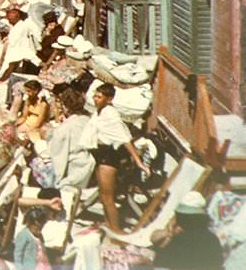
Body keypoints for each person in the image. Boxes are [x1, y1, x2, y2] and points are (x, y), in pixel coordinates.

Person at [86, 83, 150, 233]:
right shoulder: (100, 112)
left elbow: (124, 139)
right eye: (95, 96)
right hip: (100, 155)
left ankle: (116, 230)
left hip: (109, 158)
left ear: (109, 99)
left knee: (108, 198)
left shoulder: (110, 114)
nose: (95, 99)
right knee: (103, 196)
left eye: (99, 97)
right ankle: (108, 224)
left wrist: (139, 162)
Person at [151, 190, 224, 270]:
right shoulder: (211, 238)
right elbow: (218, 262)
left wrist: (162, 245)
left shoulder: (180, 240)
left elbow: (159, 262)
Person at [48, 88, 95, 191]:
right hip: (88, 167)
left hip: (74, 173)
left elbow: (57, 157)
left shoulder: (64, 129)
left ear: (65, 107)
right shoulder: (89, 120)